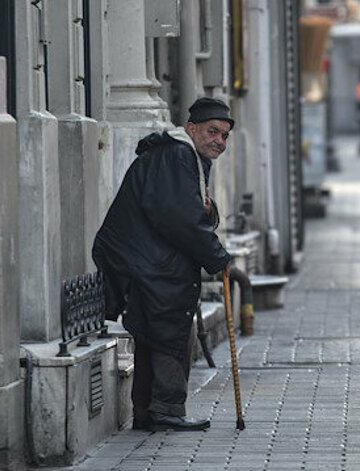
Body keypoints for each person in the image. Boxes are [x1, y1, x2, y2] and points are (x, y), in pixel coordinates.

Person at [92, 97, 235, 432]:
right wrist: (218, 258)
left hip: (149, 260)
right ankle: (166, 410)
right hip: (153, 263)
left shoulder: (182, 156)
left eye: (225, 135)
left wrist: (208, 215)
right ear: (192, 128)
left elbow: (186, 211)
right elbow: (180, 219)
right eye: (213, 131)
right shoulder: (177, 155)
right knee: (169, 329)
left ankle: (147, 412)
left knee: (152, 330)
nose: (219, 141)